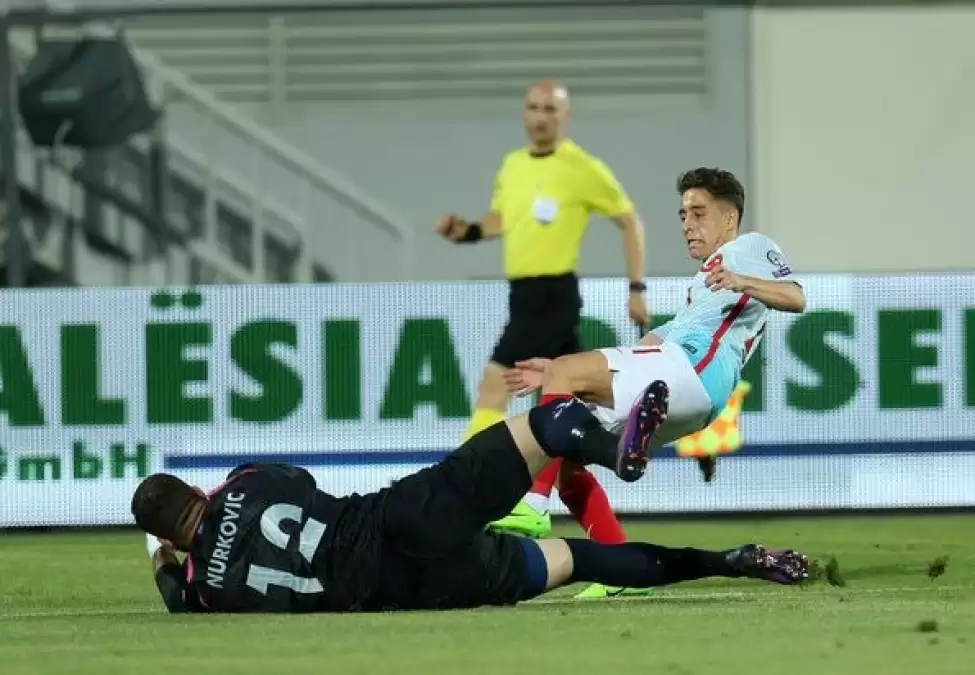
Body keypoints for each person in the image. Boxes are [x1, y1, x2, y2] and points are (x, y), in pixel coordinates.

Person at [132, 395, 808, 614]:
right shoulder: (248, 481)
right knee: (548, 421)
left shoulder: (205, 590)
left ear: (170, 538)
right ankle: (611, 451)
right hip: (408, 514)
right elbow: (294, 478)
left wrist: (167, 561)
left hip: (410, 588)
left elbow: (174, 594)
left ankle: (729, 560)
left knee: (577, 560)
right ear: (196, 492)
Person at [503, 167, 806, 513]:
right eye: (682, 215)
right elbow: (646, 347)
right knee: (566, 452)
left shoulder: (749, 246)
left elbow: (796, 298)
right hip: (690, 386)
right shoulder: (701, 290)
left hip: (696, 368)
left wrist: (743, 281)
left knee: (563, 393)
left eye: (698, 213)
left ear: (729, 218)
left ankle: (533, 506)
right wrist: (567, 375)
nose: (687, 225)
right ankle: (614, 544)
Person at [435, 80, 650, 547]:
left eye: (550, 109)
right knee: (563, 430)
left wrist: (636, 287)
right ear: (524, 113)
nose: (540, 117)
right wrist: (466, 232)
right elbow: (502, 220)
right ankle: (616, 553)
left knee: (495, 387)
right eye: (533, 108)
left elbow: (630, 221)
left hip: (553, 294)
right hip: (523, 295)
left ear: (565, 116)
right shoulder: (512, 165)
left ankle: (462, 494)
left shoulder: (582, 168)